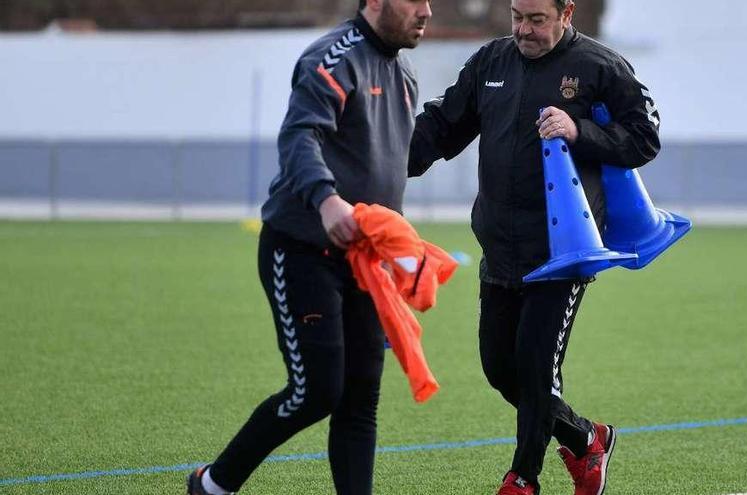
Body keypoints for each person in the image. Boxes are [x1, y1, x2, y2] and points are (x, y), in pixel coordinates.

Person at [408, 0, 660, 494]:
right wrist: (385, 158)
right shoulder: (491, 62)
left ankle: (522, 478)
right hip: (500, 249)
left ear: (567, 13)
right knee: (501, 371)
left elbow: (644, 137)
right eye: (516, 16)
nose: (523, 29)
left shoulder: (600, 67)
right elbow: (442, 126)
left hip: (562, 251)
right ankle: (588, 439)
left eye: (536, 19)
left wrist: (579, 130)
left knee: (537, 368)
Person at [186, 1, 431, 494]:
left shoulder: (403, 73)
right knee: (317, 390)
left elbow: (389, 166)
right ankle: (212, 485)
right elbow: (300, 136)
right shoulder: (333, 58)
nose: (426, 10)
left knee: (361, 398)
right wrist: (326, 199)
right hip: (301, 249)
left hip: (363, 263)